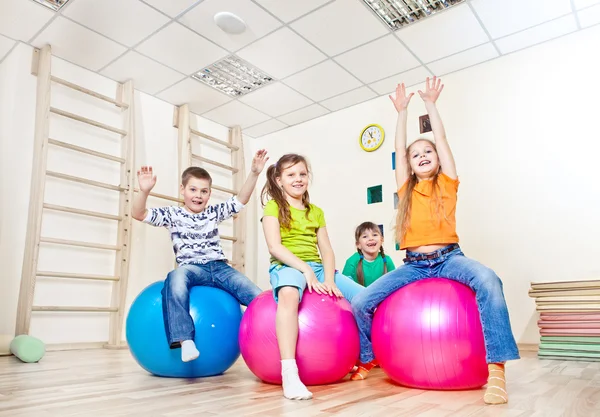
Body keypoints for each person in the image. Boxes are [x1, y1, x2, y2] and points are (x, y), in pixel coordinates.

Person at [350, 78, 519, 405]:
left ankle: (496, 366)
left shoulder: (447, 183)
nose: (423, 155)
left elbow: (440, 139)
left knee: (488, 279)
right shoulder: (407, 190)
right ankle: (369, 357)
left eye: (428, 152)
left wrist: (430, 105)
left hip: (450, 258)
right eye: (416, 155)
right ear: (410, 165)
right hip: (414, 266)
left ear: (438, 159)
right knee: (360, 303)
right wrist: (401, 112)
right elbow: (398, 149)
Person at [132, 150, 269, 363]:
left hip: (219, 267)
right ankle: (185, 340)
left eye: (204, 191)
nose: (198, 195)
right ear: (182, 190)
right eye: (193, 189)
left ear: (209, 194)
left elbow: (241, 200)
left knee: (257, 295)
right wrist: (145, 191)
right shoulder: (173, 214)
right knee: (175, 278)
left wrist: (253, 173)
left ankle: (273, 337)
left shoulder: (213, 212)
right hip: (191, 267)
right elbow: (138, 213)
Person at [261, 153, 363, 400]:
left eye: (303, 174)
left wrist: (328, 279)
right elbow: (275, 247)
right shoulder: (273, 206)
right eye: (291, 174)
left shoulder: (316, 211)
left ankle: (364, 357)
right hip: (287, 265)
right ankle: (289, 372)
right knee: (288, 295)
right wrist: (305, 270)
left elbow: (326, 249)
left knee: (365, 297)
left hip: (317, 267)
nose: (298, 179)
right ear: (279, 179)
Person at [342, 221, 396, 287]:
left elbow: (395, 285)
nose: (371, 238)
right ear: (358, 244)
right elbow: (344, 287)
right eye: (365, 236)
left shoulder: (387, 261)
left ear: (381, 240)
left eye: (375, 235)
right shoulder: (352, 262)